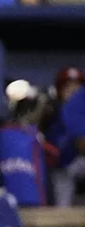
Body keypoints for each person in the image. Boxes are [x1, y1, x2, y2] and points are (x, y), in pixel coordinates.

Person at [44, 67, 85, 206]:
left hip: (80, 161)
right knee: (61, 174)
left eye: (77, 86)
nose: (73, 90)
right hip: (61, 166)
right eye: (68, 87)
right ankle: (62, 216)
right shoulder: (51, 113)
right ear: (59, 91)